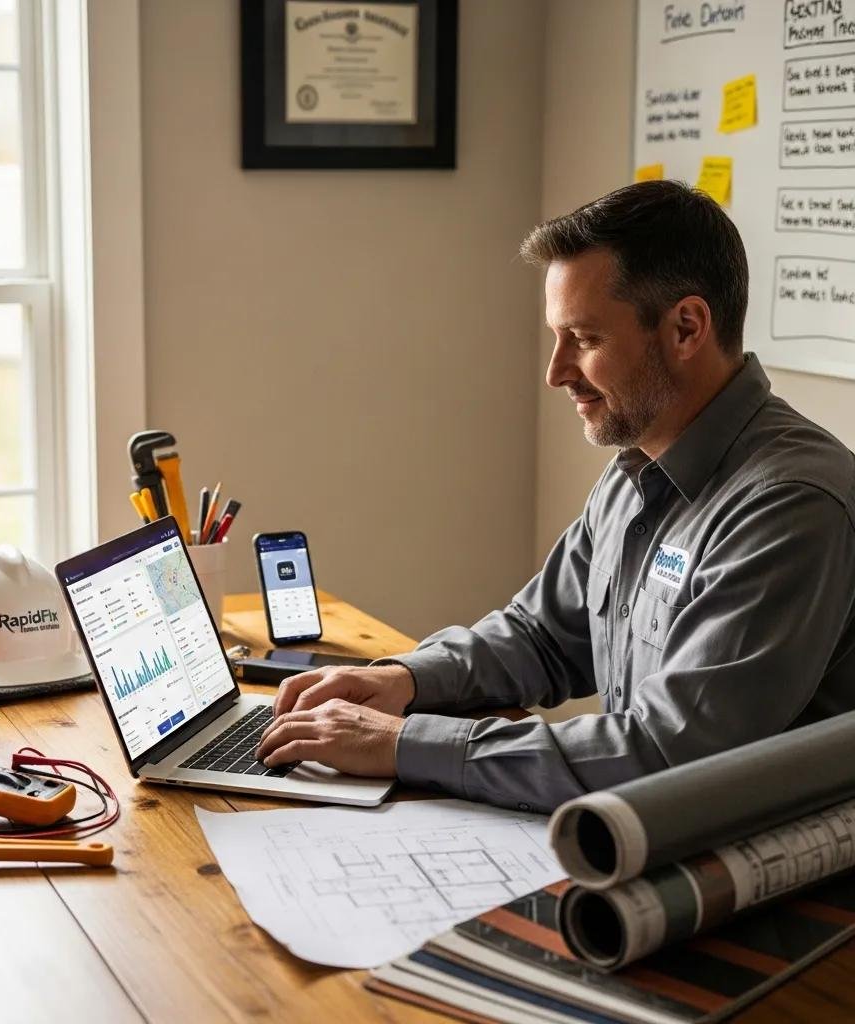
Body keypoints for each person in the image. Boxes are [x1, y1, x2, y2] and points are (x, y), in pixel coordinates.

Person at [255, 180, 855, 812]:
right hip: (637, 833)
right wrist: (402, 679)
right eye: (557, 336)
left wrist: (406, 743)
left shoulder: (790, 506)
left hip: (762, 877)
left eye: (586, 339)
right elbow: (540, 634)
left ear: (686, 328)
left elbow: (668, 753)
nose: (556, 371)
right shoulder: (639, 467)